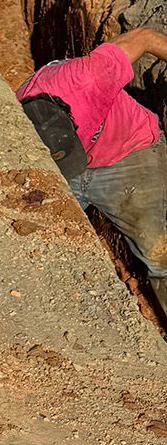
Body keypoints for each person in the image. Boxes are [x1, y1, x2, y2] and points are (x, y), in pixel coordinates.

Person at [18, 29, 167, 278]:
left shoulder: (89, 78)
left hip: (130, 150)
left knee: (158, 251)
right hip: (68, 169)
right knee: (41, 240)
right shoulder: (16, 117)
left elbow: (146, 38)